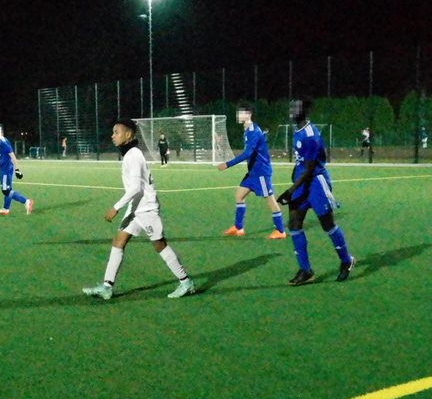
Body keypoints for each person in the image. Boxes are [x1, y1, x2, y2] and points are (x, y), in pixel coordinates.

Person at [83, 119, 194, 300]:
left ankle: (186, 282)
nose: (112, 136)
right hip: (136, 208)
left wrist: (116, 207)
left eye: (116, 132)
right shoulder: (129, 154)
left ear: (128, 134)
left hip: (147, 209)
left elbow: (136, 188)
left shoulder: (134, 155)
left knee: (160, 245)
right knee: (119, 241)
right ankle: (107, 287)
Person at [277, 99, 355, 285]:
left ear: (304, 111)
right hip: (302, 181)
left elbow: (310, 168)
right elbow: (303, 161)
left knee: (328, 224)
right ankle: (306, 270)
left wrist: (290, 191)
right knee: (294, 223)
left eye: (295, 107)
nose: (291, 110)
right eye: (290, 106)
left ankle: (346, 260)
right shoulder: (297, 131)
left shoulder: (310, 135)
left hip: (316, 183)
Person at [216, 104, 287, 239]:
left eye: (241, 113)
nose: (238, 115)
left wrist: (228, 164)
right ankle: (238, 227)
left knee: (271, 200)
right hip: (253, 173)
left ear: (248, 114)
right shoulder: (247, 130)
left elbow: (248, 153)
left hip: (261, 172)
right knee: (239, 196)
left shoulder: (253, 131)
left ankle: (280, 230)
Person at [0, 122, 33, 215]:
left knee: (6, 191)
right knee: (8, 189)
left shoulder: (3, 142)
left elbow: (12, 155)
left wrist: (17, 170)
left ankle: (26, 201)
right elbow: (1, 156)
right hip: (2, 169)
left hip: (6, 170)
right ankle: (6, 209)